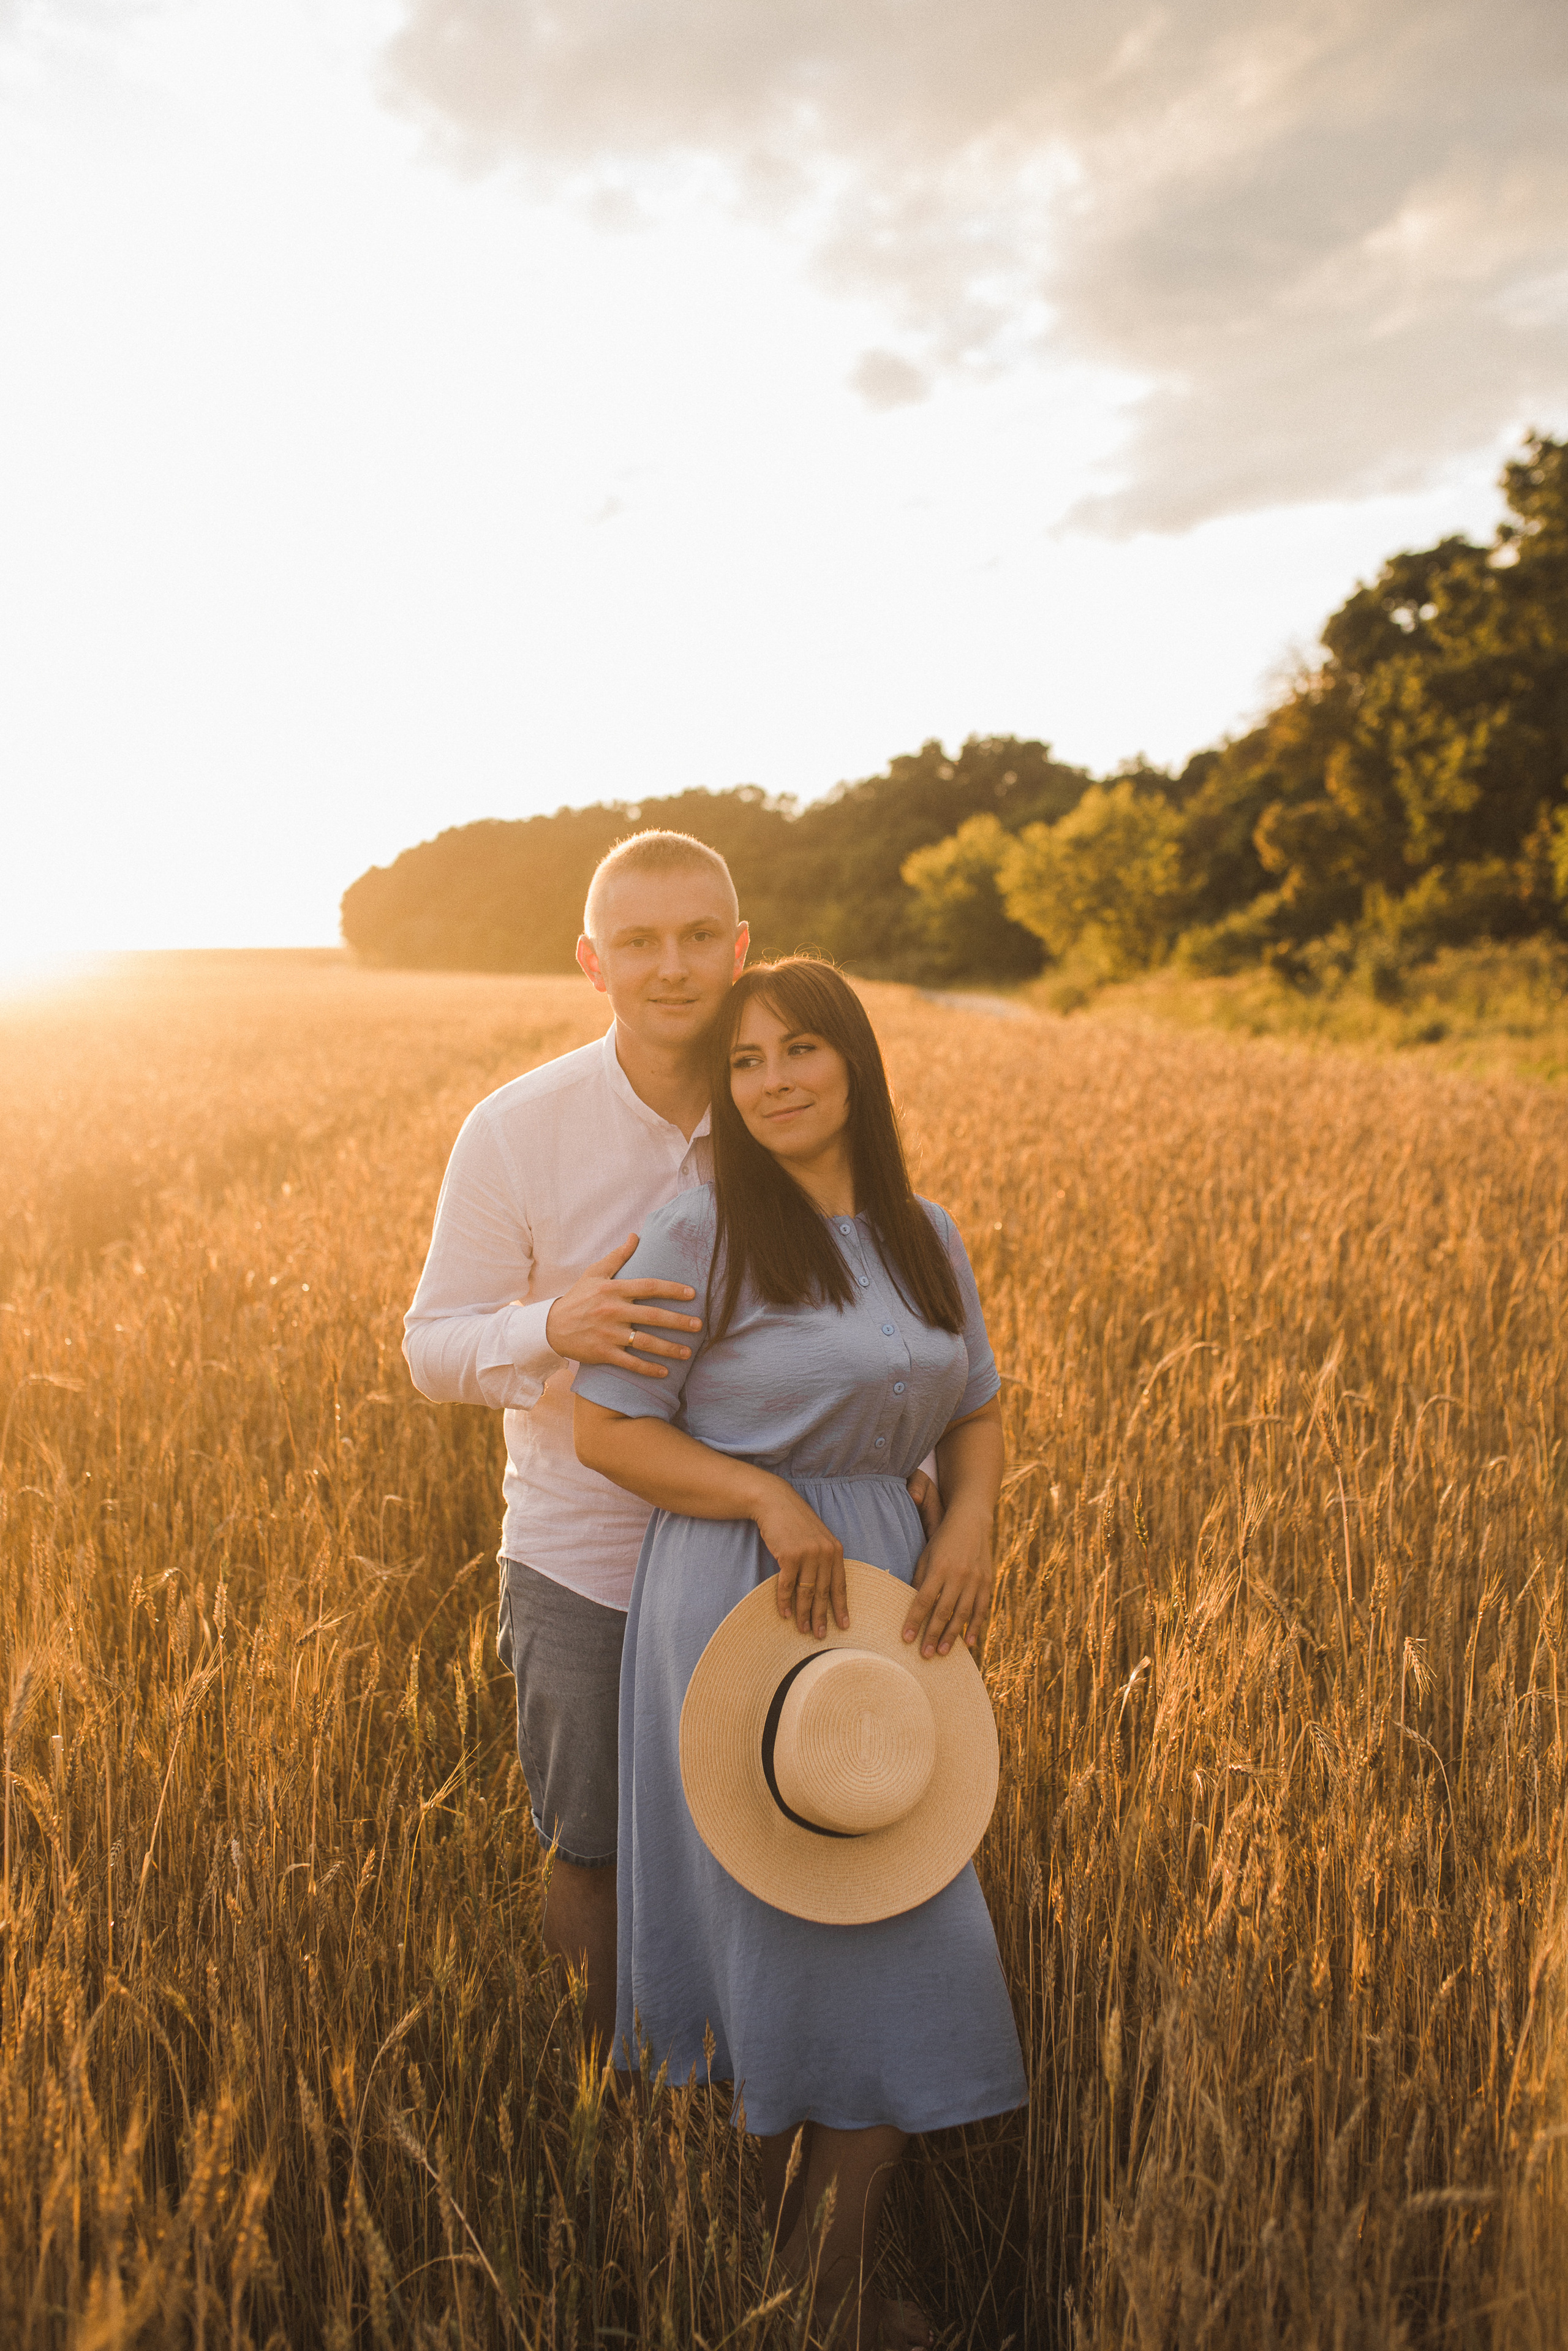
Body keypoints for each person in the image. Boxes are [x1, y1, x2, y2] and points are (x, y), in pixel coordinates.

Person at [403, 836, 939, 2054]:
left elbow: (880, 1307)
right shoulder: (514, 1129)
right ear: (591, 963)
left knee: (790, 1835)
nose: (673, 965)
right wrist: (556, 1322)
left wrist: (897, 1454)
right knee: (590, 1848)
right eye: (638, 941)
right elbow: (427, 1343)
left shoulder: (786, 1102)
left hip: (782, 1563)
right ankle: (621, 2124)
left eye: (700, 935)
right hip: (587, 1559)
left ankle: (764, 2090)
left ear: (740, 947)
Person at [573, 957, 1026, 2349]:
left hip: (891, 1613)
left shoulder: (921, 1231)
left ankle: (794, 2296)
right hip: (750, 1606)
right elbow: (607, 1426)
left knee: (876, 1904)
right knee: (843, 1935)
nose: (770, 1080)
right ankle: (821, 2302)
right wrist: (767, 1495)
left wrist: (967, 1534)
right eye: (746, 1060)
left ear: (854, 1061)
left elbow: (979, 1408)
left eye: (799, 1051)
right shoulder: (698, 1229)